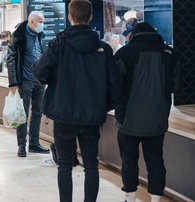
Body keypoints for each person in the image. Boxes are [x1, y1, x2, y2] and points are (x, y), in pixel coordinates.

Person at [33, 0, 113, 201]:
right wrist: (103, 106)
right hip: (92, 115)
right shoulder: (103, 48)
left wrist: (56, 81)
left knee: (65, 165)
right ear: (91, 17)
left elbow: (40, 72)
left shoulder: (58, 44)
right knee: (91, 165)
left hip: (63, 113)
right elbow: (114, 83)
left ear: (70, 16)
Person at [111, 22, 179, 202]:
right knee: (156, 160)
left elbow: (115, 85)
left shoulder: (125, 53)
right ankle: (155, 198)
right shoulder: (169, 54)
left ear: (134, 34)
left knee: (129, 160)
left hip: (128, 119)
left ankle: (130, 197)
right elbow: (175, 85)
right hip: (157, 118)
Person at [7, 11, 50, 157]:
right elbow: (11, 59)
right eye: (40, 21)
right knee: (22, 115)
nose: (42, 24)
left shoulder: (39, 35)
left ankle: (34, 143)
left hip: (39, 81)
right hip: (25, 81)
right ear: (31, 22)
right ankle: (21, 145)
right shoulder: (18, 36)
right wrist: (13, 81)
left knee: (37, 113)